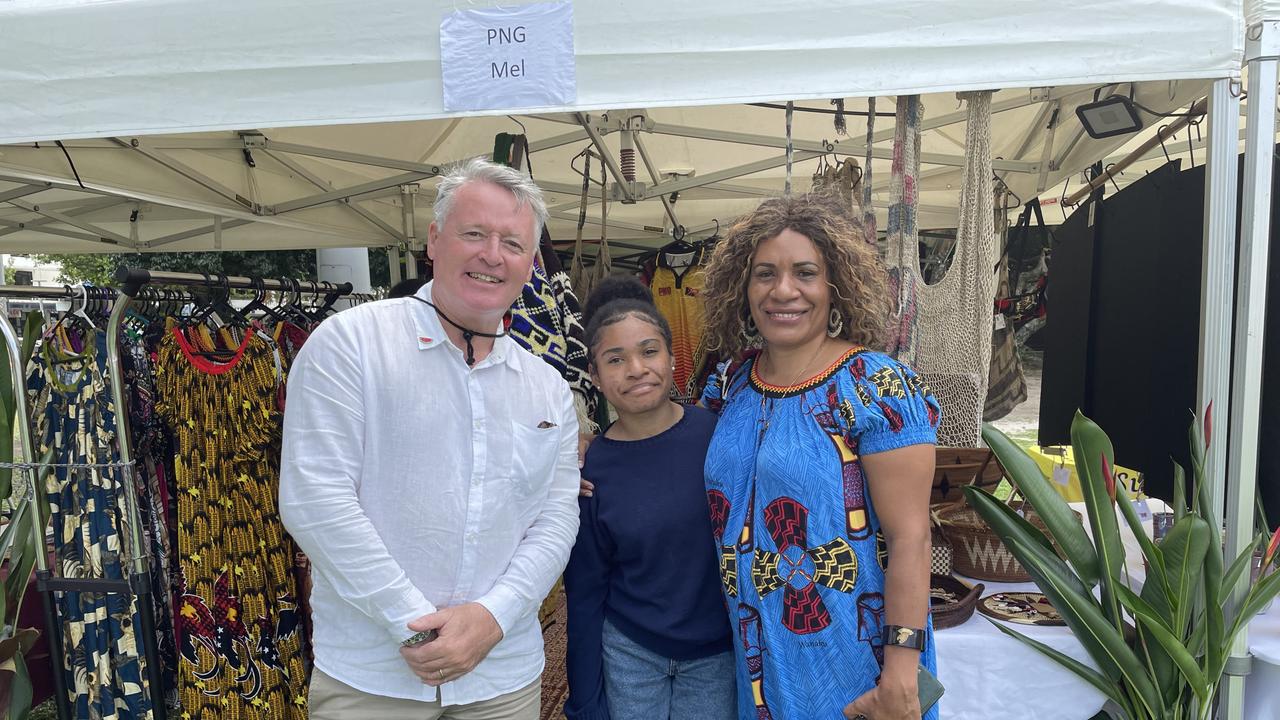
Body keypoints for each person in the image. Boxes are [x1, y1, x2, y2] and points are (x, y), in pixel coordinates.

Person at [279, 157, 580, 720]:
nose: (493, 255)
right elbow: (316, 500)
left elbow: (555, 517)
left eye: (512, 243)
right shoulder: (350, 344)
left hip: (502, 672)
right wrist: (414, 627)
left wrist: (492, 618)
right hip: (375, 677)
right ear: (434, 240)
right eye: (474, 234)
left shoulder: (546, 385)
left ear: (531, 264)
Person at [699, 192, 942, 720]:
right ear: (743, 288)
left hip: (856, 665)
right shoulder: (731, 384)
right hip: (760, 661)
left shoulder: (876, 386)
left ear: (836, 288)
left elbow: (911, 538)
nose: (783, 290)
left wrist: (901, 672)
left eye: (804, 272)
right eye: (764, 273)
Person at [562, 277, 736, 720]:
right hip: (631, 652)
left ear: (672, 358)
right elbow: (584, 591)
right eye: (615, 359)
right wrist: (584, 701)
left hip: (716, 653)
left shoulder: (718, 436)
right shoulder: (588, 470)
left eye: (649, 351)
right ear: (596, 377)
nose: (636, 368)